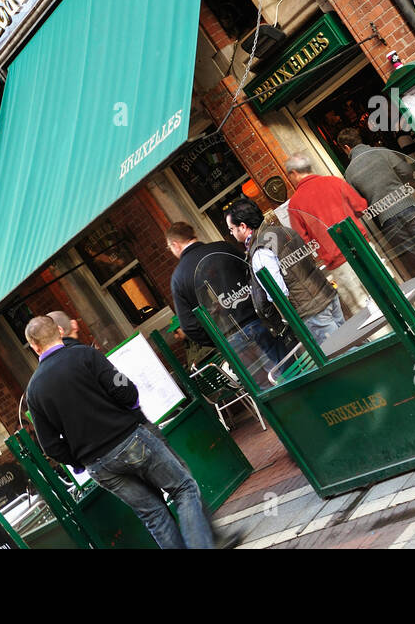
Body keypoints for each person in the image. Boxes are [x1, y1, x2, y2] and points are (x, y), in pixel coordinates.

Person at [23, 316, 233, 549]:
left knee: (153, 515)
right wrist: (132, 408)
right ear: (59, 332)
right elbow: (125, 390)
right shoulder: (86, 355)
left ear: (34, 345)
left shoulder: (34, 390)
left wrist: (79, 462)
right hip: (130, 439)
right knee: (183, 489)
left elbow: (50, 446)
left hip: (98, 465)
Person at [164, 222, 293, 368]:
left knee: (263, 386)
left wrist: (218, 340)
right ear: (192, 234)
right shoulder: (222, 248)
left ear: (175, 245)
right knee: (289, 369)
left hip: (229, 337)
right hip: (258, 321)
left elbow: (188, 325)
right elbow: (255, 275)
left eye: (170, 248)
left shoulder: (178, 277)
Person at [224, 199, 345, 347]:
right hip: (326, 294)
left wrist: (290, 324)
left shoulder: (260, 251)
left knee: (341, 352)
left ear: (242, 227)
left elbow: (278, 293)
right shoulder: (282, 230)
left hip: (310, 312)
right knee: (351, 341)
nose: (231, 233)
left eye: (231, 229)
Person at [339, 129, 415, 278]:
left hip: (386, 219)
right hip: (406, 205)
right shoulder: (381, 151)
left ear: (346, 148)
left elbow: (358, 204)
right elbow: (406, 171)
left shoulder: (349, 173)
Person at [284, 154, 372, 317]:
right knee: (387, 290)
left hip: (338, 262)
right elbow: (361, 207)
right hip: (363, 247)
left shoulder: (295, 204)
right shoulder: (335, 181)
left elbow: (302, 242)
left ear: (294, 173)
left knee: (362, 308)